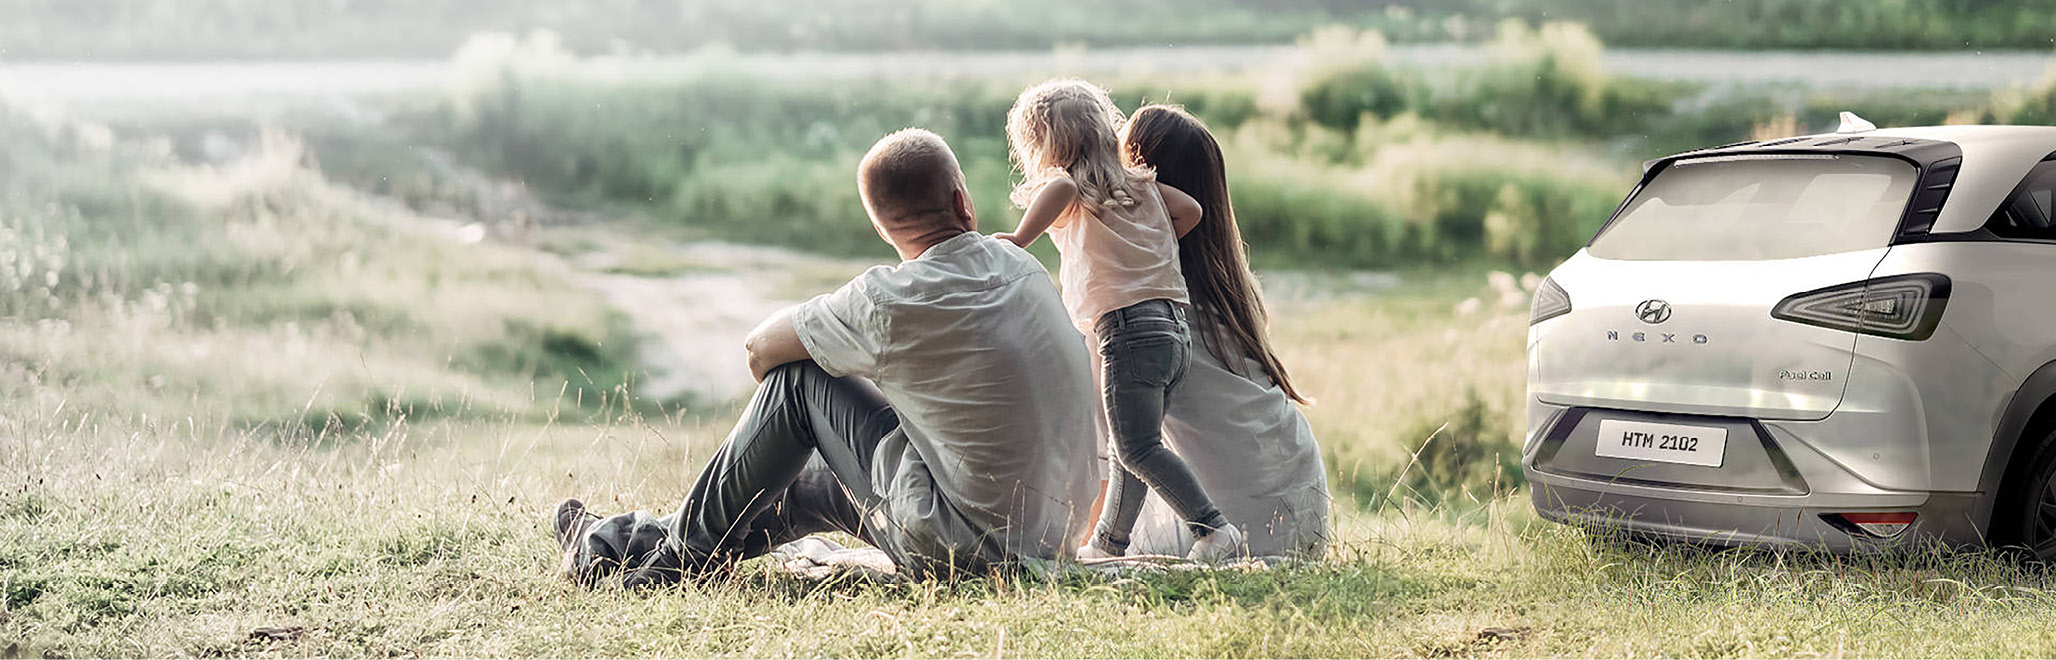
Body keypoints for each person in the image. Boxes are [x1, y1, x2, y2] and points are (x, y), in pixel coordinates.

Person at [553, 128, 1101, 586]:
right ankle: (619, 541)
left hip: (965, 550)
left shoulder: (887, 299)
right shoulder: (1021, 266)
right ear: (963, 202)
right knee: (817, 480)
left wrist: (845, 339)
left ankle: (673, 560)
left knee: (798, 380)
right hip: (1054, 537)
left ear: (881, 226)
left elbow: (760, 351)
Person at [994, 78, 1245, 563]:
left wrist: (1020, 239)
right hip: (1171, 327)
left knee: (1134, 449)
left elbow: (1061, 184)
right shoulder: (1141, 187)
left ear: (1044, 148)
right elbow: (1191, 210)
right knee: (1133, 447)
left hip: (1127, 330)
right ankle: (1108, 543)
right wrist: (1155, 242)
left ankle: (1213, 529)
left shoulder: (1070, 188)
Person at [1114, 104, 1330, 558]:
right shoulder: (1231, 283)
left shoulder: (1140, 304)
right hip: (1300, 489)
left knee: (1120, 429)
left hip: (1240, 521)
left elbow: (1114, 446)